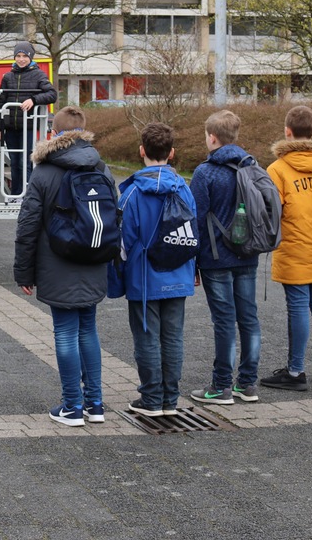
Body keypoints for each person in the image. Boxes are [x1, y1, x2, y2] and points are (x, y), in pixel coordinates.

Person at [13, 105, 108, 427]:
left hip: (57, 263)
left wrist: (24, 271)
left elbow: (27, 225)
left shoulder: (44, 172)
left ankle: (72, 406)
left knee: (66, 332)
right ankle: (95, 404)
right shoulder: (102, 168)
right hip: (94, 260)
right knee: (88, 330)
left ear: (53, 134)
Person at [114, 123, 197, 417]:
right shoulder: (185, 190)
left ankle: (151, 399)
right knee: (173, 337)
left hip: (144, 277)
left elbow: (122, 240)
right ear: (172, 153)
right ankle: (169, 399)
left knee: (147, 337)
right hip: (178, 271)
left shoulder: (133, 193)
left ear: (141, 152)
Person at [188, 110, 262, 405]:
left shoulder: (205, 172)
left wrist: (192, 261)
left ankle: (221, 387)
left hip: (215, 257)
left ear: (212, 137)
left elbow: (193, 219)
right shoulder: (252, 167)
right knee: (249, 319)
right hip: (248, 253)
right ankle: (248, 384)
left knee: (224, 322)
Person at [261, 105, 312, 392]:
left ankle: (295, 371)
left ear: (287, 132)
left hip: (293, 246)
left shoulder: (277, 169)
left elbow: (271, 212)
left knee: (297, 308)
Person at [0, 41, 57, 197]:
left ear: (31, 57)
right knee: (14, 162)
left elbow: (52, 94)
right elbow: (0, 103)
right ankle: (15, 194)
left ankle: (28, 195)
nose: (21, 59)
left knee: (27, 162)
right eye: (18, 56)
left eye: (25, 56)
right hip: (10, 127)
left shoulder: (38, 75)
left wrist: (33, 100)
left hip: (28, 127)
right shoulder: (8, 77)